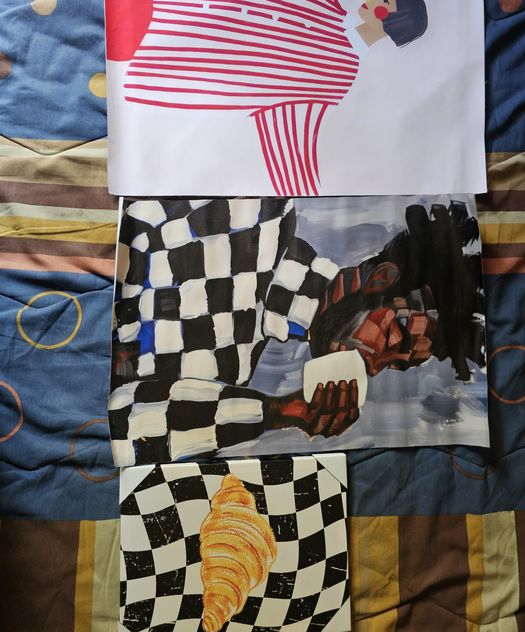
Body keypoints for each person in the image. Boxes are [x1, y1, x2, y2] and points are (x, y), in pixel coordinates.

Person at [108, 197, 484, 466]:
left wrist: (281, 412)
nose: (374, 366)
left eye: (394, 364)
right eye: (393, 336)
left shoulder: (226, 374)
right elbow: (142, 212)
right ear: (381, 279)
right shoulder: (261, 214)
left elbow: (126, 428)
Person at [123, 0, 428, 195]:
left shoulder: (340, 74)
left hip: (180, 61)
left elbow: (290, 123)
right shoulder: (330, 4)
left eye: (384, 2)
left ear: (393, 23)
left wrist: (299, 186)